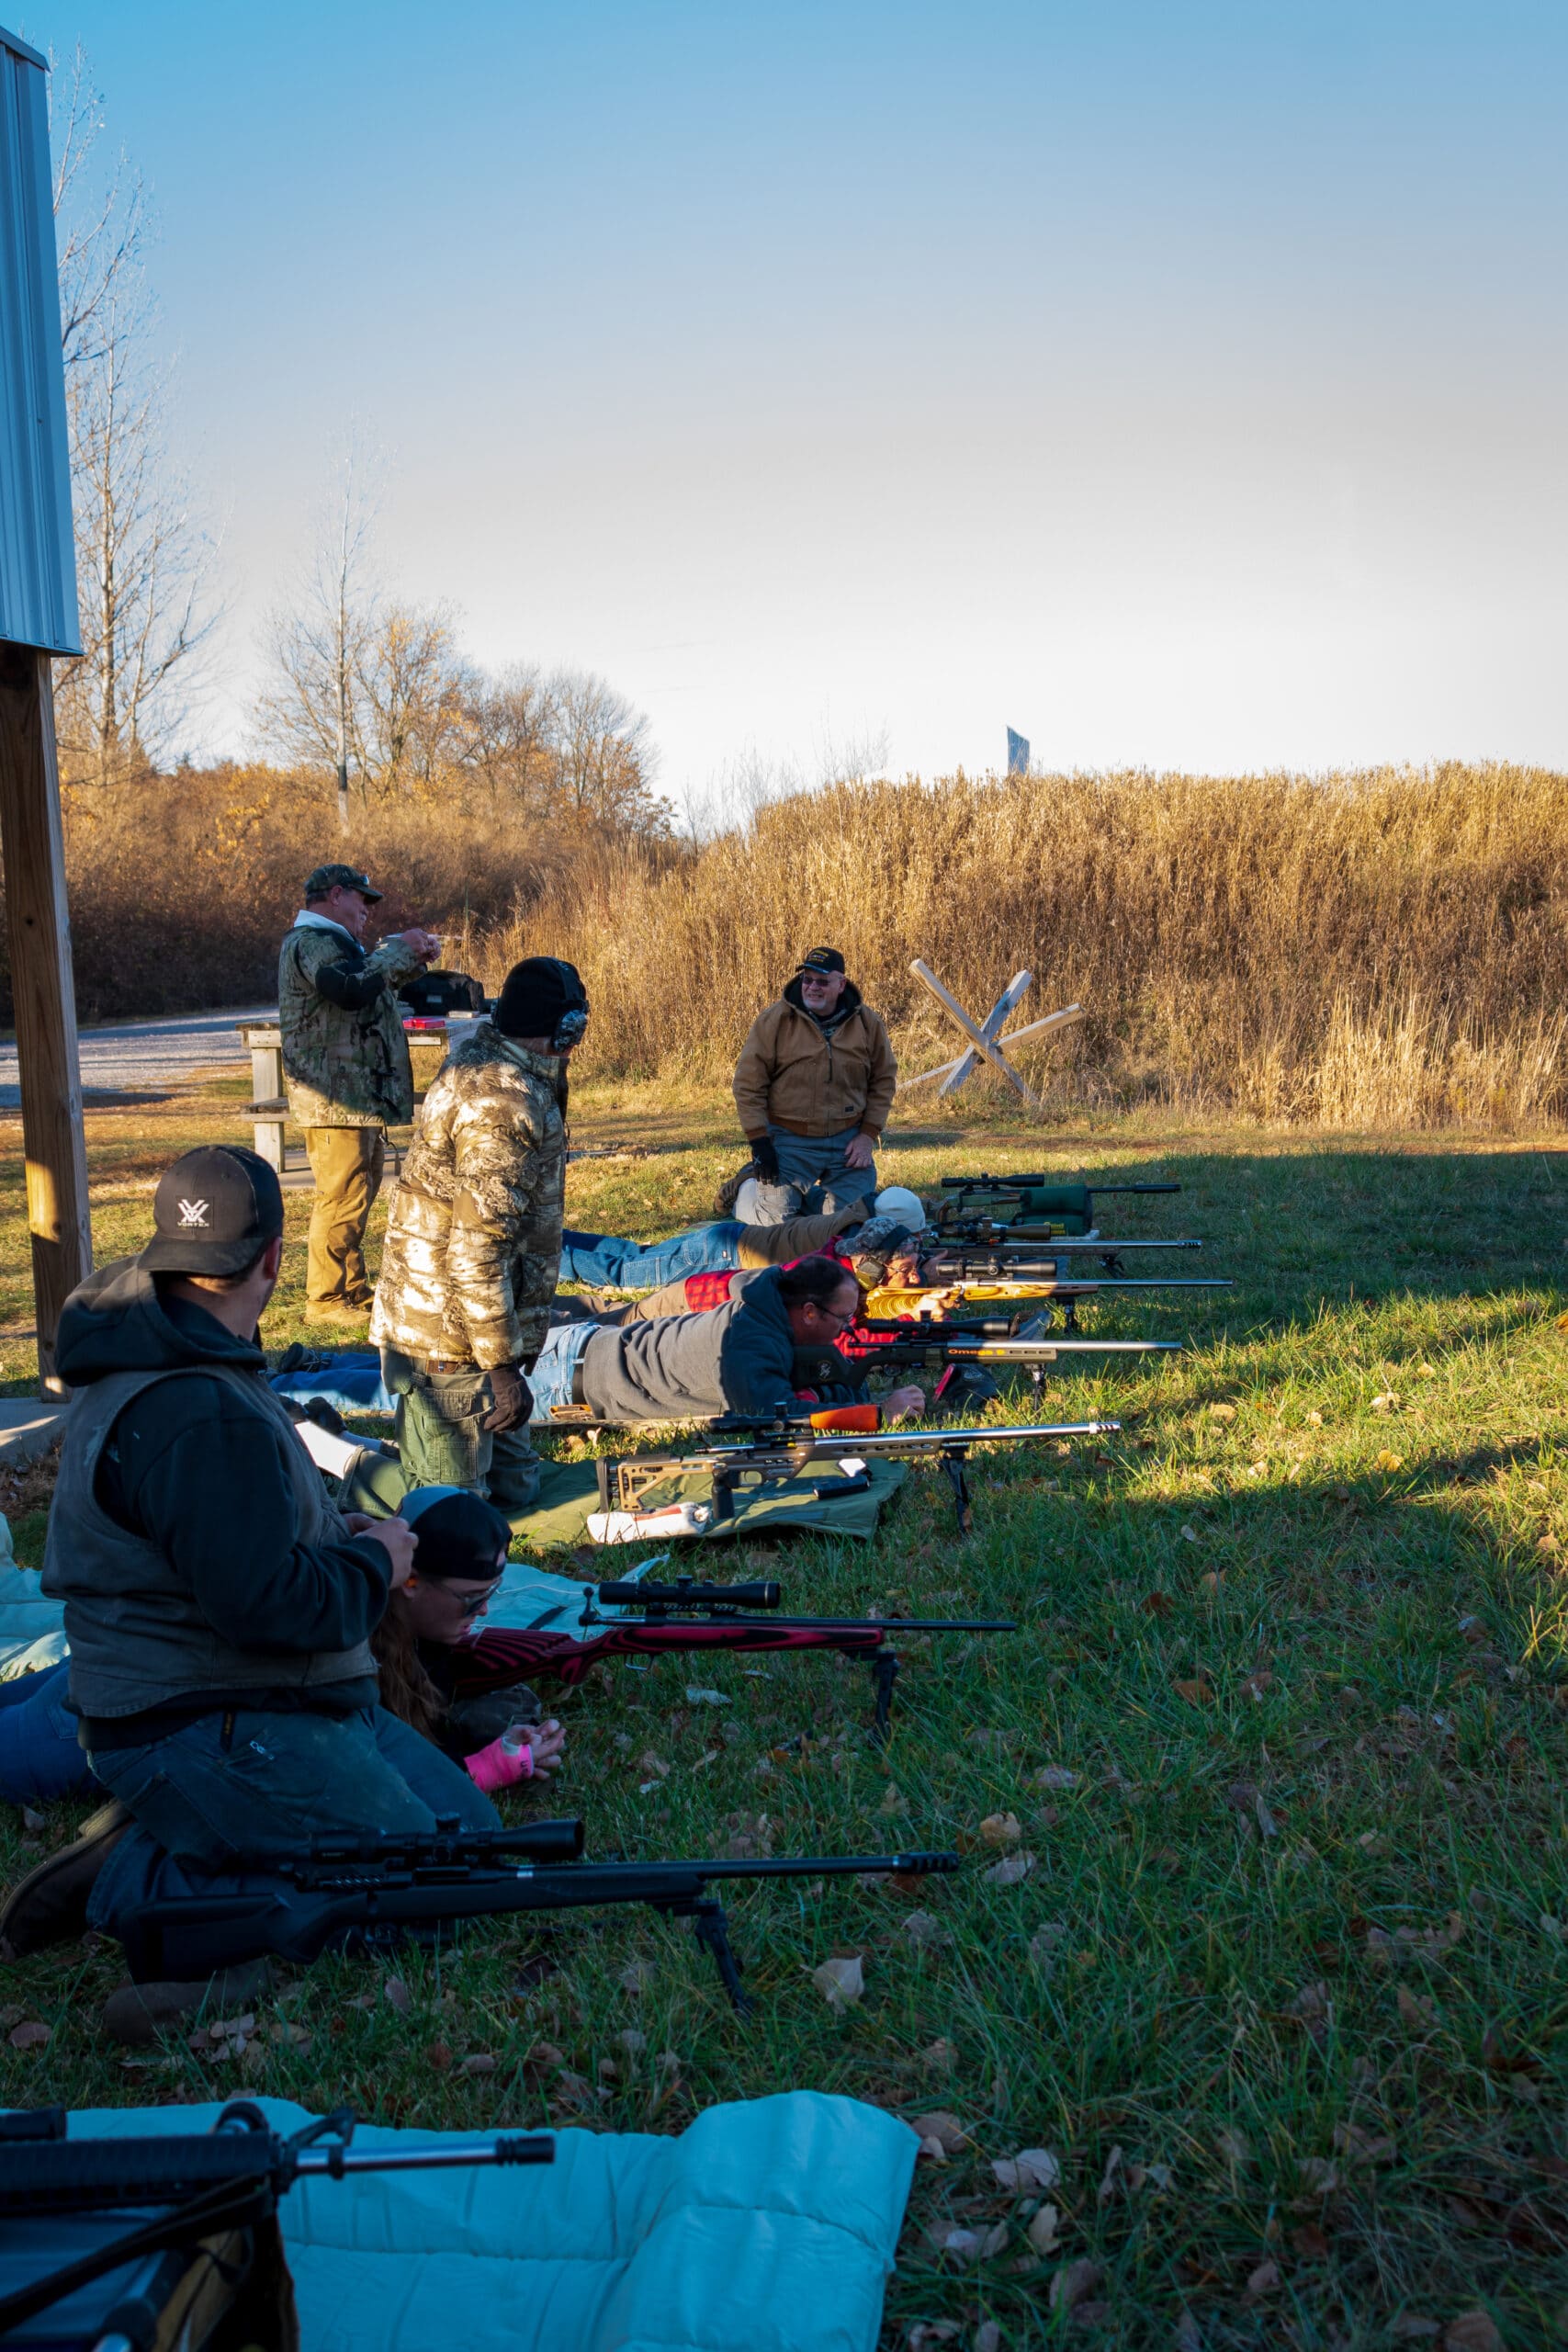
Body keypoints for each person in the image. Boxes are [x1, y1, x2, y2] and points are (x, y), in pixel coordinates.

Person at [0, 1145, 498, 1980]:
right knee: (427, 1893)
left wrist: (330, 1532)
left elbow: (225, 1539)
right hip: (202, 1715)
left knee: (470, 1842)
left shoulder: (176, 1351)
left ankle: (198, 1830)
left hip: (265, 1695)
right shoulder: (196, 1406)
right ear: (272, 1257)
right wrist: (374, 1561)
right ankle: (134, 1878)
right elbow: (268, 1608)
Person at [370, 956, 585, 1506]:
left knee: (517, 1493)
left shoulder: (501, 1064)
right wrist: (501, 1368)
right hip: (445, 1340)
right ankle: (340, 1463)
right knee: (452, 1514)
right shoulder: (502, 1104)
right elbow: (475, 1251)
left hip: (477, 1329)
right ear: (561, 1028)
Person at [277, 862, 440, 1318]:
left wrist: (411, 961)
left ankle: (350, 1288)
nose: (368, 910)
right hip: (334, 1098)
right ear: (335, 895)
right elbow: (347, 988)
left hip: (352, 1096)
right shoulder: (311, 942)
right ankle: (326, 1299)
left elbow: (364, 983)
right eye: (362, 899)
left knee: (357, 1192)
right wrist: (397, 951)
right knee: (341, 1196)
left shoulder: (335, 943)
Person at [525, 1253, 924, 1428]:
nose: (847, 1329)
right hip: (560, 1378)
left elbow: (803, 1385)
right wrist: (878, 1414)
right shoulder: (746, 1345)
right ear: (808, 1312)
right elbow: (774, 1418)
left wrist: (848, 1389)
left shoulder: (767, 1301)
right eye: (844, 1318)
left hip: (586, 1348)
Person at [732, 946, 897, 1225]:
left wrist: (867, 1136)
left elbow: (883, 1080)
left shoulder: (868, 1023)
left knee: (853, 1222)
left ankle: (806, 1202)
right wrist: (760, 1142)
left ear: (841, 985)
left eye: (822, 981)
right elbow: (748, 1085)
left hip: (847, 1140)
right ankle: (743, 1190)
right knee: (776, 1226)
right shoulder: (774, 1021)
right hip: (788, 1140)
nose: (812, 987)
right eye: (807, 980)